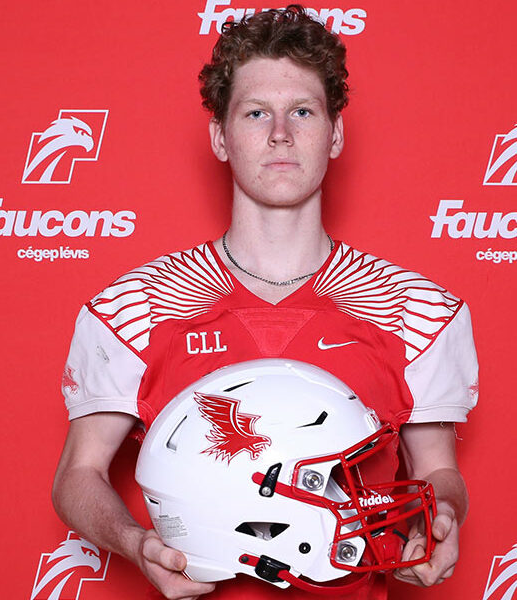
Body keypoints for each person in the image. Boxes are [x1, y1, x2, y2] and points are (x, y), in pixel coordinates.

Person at [52, 5, 478, 599]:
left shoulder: (416, 309)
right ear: (220, 138)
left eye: (302, 111)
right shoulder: (136, 306)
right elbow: (78, 473)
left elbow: (437, 471)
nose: (281, 133)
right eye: (256, 113)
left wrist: (439, 520)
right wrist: (132, 541)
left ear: (334, 134)